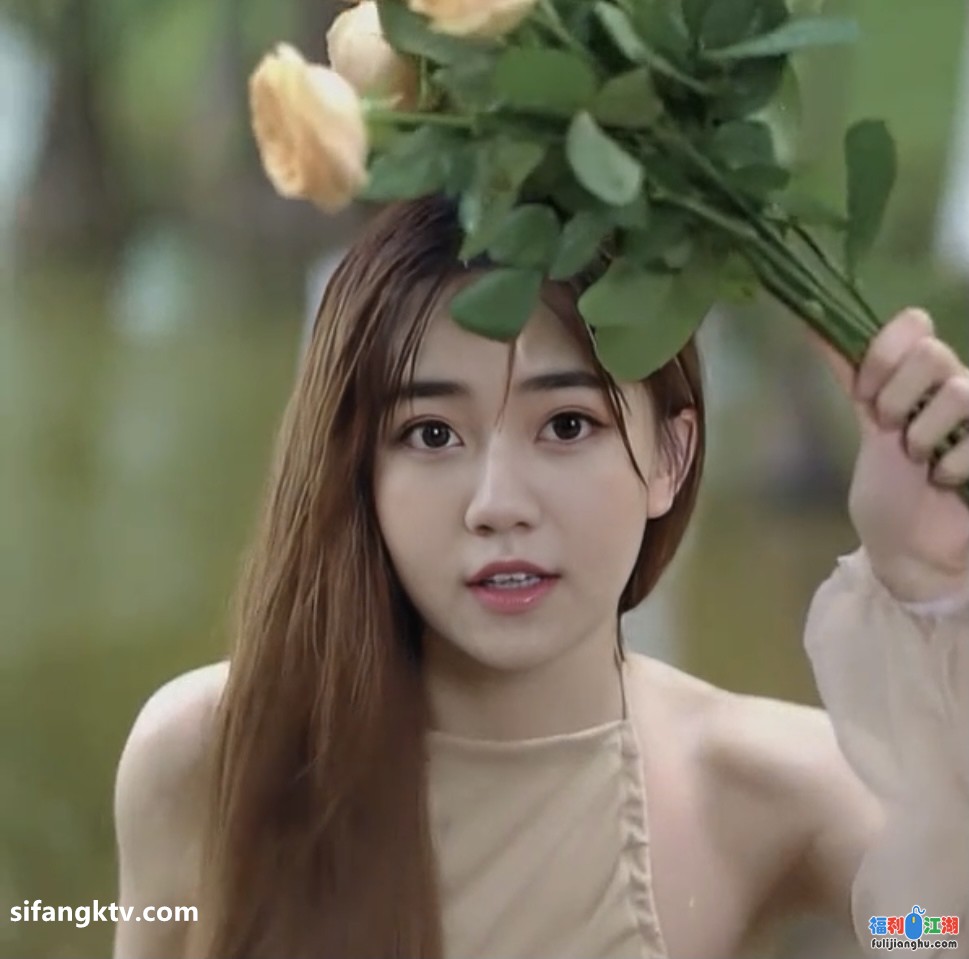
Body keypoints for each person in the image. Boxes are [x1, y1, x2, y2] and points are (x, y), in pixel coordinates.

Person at [111, 194, 969, 959]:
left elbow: (932, 934)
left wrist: (935, 588)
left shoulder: (756, 788)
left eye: (565, 424)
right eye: (432, 434)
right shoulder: (211, 755)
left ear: (669, 457)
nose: (497, 504)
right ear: (358, 468)